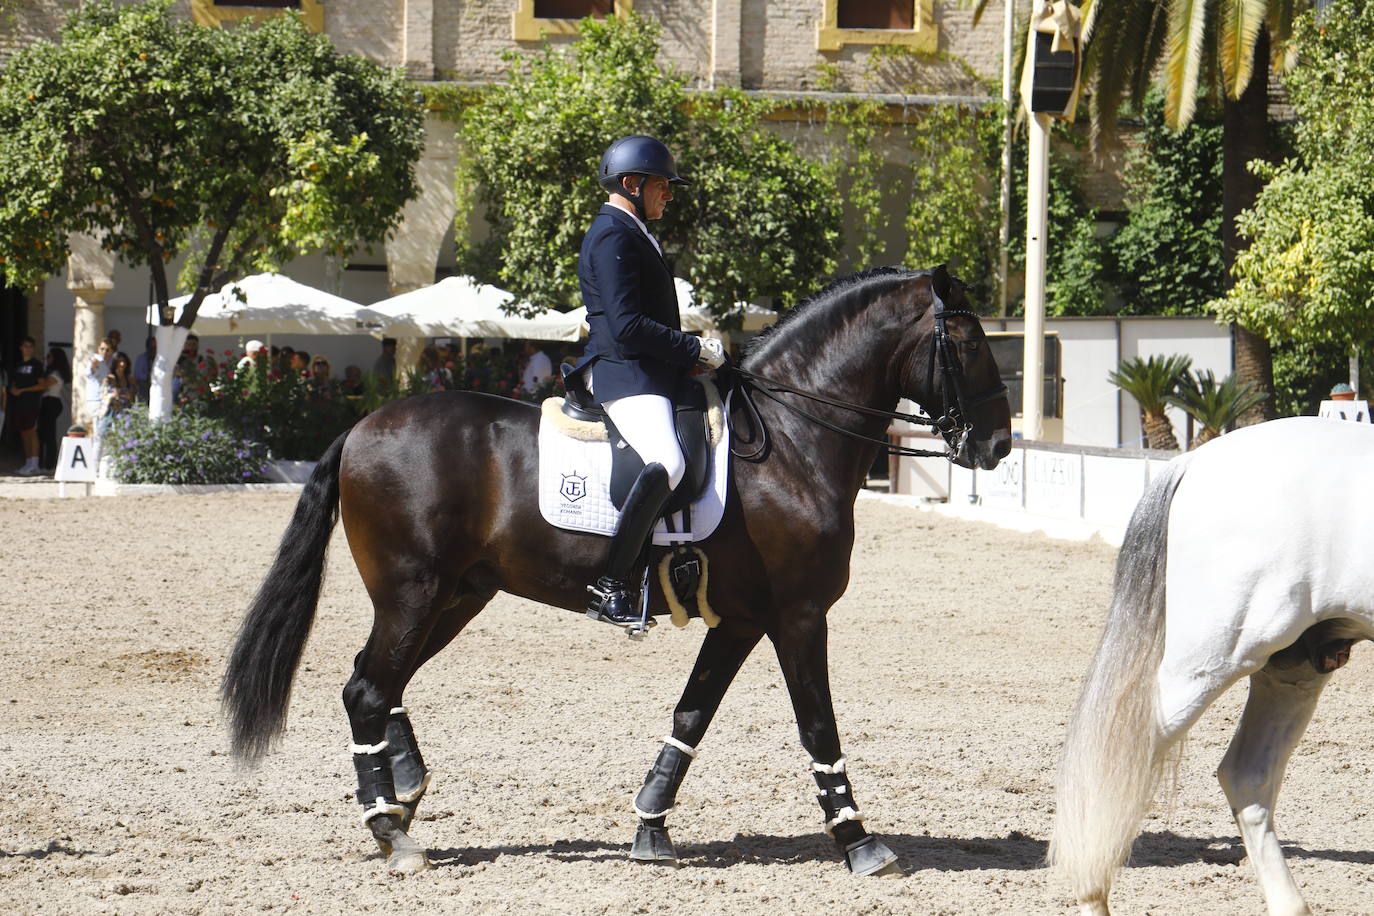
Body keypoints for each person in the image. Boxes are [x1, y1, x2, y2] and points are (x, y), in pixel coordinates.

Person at [572, 135, 725, 626]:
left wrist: (687, 361)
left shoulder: (634, 230)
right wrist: (693, 347)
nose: (670, 194)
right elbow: (626, 326)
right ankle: (612, 584)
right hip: (623, 372)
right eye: (663, 185)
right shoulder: (614, 233)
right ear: (632, 183)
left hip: (649, 370)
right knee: (668, 462)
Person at [9, 337, 46, 475]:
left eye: (31, 346)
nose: (28, 349)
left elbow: (42, 385)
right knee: (23, 433)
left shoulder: (37, 365)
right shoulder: (17, 365)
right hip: (19, 404)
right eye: (25, 346)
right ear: (21, 347)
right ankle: (28, 462)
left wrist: (24, 390)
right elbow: (14, 382)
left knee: (32, 432)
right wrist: (13, 389)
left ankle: (35, 464)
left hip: (32, 403)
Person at [38, 347, 72, 473]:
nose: (47, 359)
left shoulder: (55, 374)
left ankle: (49, 465)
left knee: (48, 435)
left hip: (51, 402)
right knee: (45, 434)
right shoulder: (53, 372)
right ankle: (45, 463)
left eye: (49, 357)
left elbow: (43, 385)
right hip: (49, 402)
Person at [99, 351, 136, 437]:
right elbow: (104, 394)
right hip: (111, 413)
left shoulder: (130, 379)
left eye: (124, 361)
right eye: (119, 361)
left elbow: (134, 397)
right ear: (115, 363)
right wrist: (115, 394)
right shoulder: (109, 378)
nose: (122, 364)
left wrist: (130, 395)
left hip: (126, 413)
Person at [84, 337, 114, 425]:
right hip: (96, 400)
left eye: (107, 350)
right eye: (102, 349)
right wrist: (93, 365)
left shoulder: (106, 364)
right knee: (99, 430)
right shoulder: (97, 360)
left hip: (103, 400)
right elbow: (89, 372)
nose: (104, 352)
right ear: (98, 349)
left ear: (111, 351)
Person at [132, 335, 156, 403]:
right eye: (151, 347)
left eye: (155, 347)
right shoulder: (141, 358)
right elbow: (137, 375)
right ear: (147, 347)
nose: (153, 349)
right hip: (145, 387)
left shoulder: (160, 359)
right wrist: (148, 376)